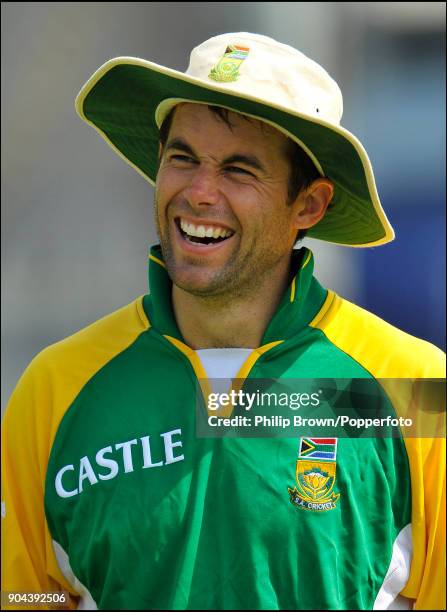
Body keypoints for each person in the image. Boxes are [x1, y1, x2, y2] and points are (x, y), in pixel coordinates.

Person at [1, 32, 445, 611]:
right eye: (182, 158)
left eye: (239, 170)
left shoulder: (414, 385)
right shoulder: (56, 386)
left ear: (308, 205)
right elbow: (24, 597)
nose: (200, 192)